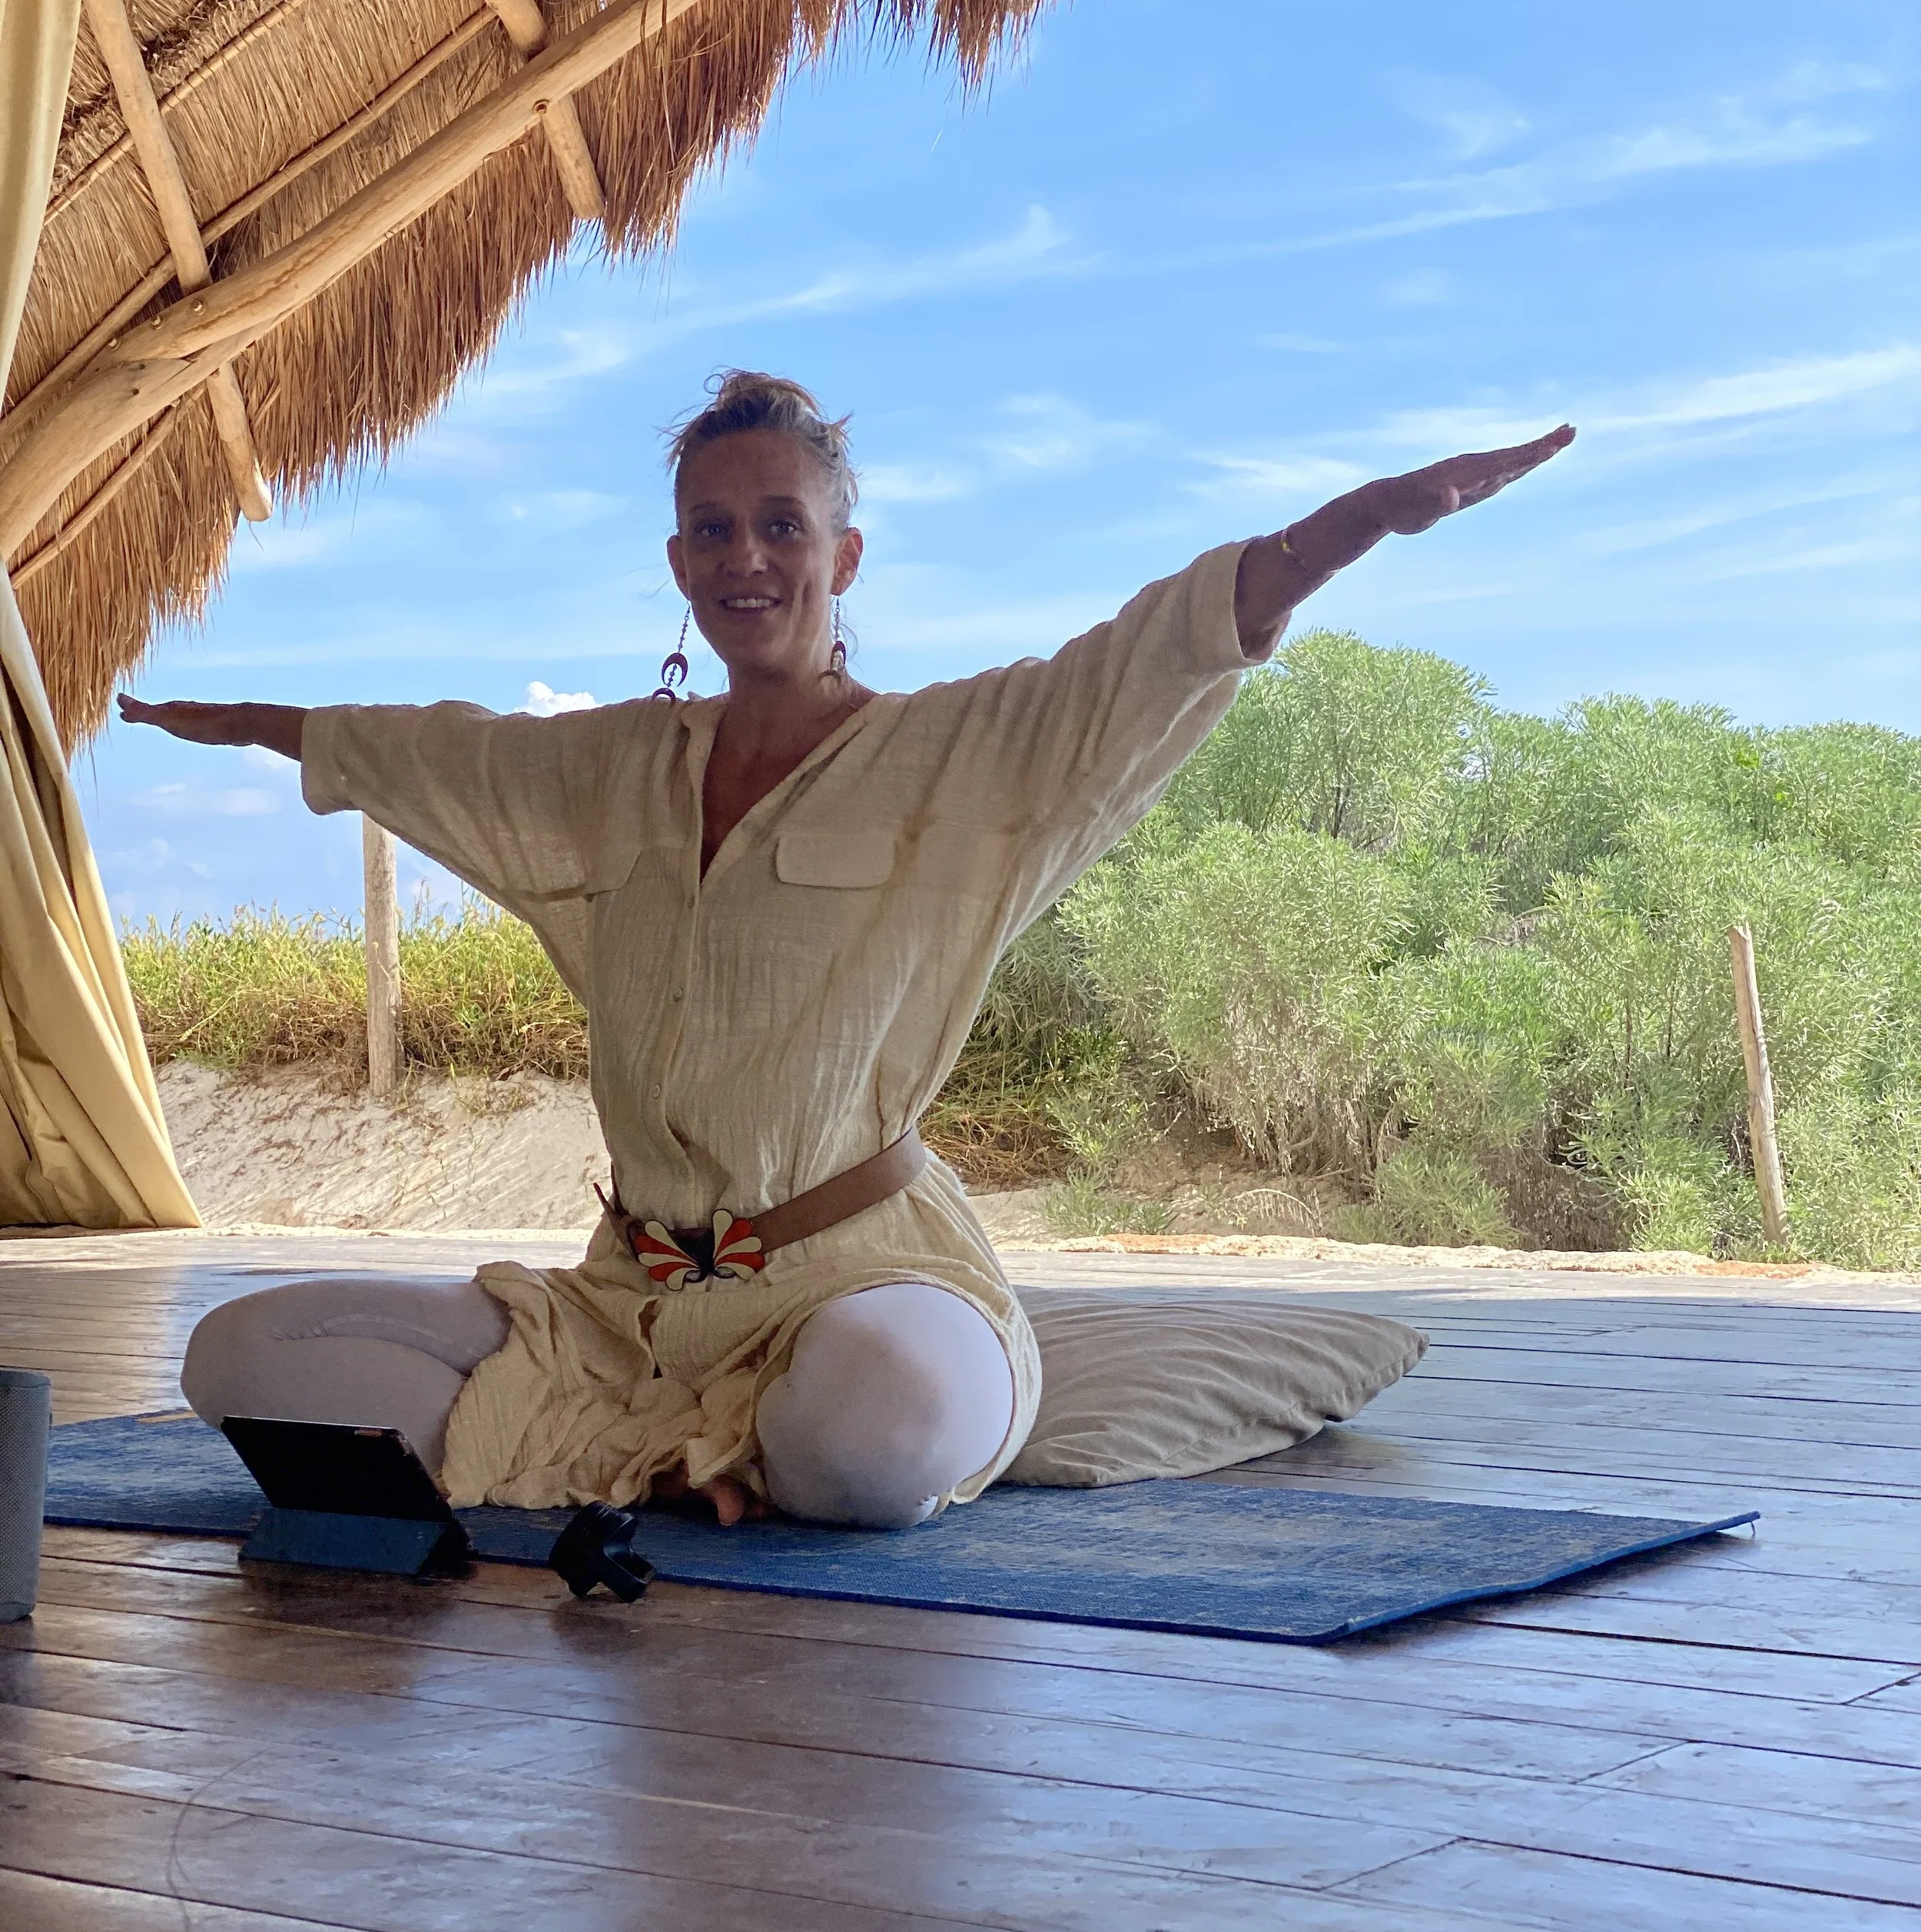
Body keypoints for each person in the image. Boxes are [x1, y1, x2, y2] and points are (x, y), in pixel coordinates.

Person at [123, 373, 1571, 1530]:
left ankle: (774, 1445)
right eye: (711, 528)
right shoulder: (614, 768)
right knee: (238, 1358)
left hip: (860, 1280)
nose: (745, 559)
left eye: (780, 525)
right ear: (677, 556)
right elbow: (448, 753)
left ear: (842, 552)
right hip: (629, 1305)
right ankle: (690, 1458)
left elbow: (1153, 656)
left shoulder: (956, 755)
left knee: (868, 1438)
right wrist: (272, 728)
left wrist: (1359, 524)